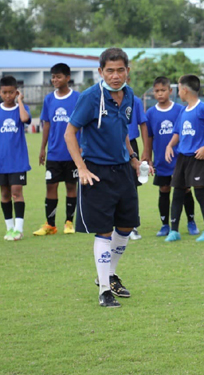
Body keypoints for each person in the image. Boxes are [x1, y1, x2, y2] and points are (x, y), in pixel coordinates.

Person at [65, 47, 141, 307]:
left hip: (122, 171)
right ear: (101, 72)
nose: (116, 76)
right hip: (96, 171)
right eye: (110, 71)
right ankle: (105, 291)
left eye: (121, 70)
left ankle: (109, 274)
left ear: (127, 71)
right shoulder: (90, 97)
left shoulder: (129, 95)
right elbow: (69, 133)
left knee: (127, 226)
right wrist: (82, 169)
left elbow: (123, 130)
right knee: (104, 231)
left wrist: (133, 158)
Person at [164, 75, 204, 242]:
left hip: (198, 158)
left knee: (199, 193)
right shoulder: (183, 110)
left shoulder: (203, 108)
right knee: (177, 194)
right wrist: (169, 145)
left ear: (184, 89)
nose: (178, 93)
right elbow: (177, 132)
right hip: (182, 157)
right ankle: (174, 231)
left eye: (179, 89)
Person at [145, 76, 197, 237]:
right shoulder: (151, 113)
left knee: (186, 189)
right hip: (161, 159)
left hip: (180, 159)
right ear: (153, 92)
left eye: (163, 90)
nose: (160, 94)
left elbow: (185, 132)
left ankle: (191, 221)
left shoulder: (180, 110)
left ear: (170, 91)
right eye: (157, 91)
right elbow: (149, 137)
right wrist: (148, 156)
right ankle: (165, 225)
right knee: (164, 189)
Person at [35, 63, 80, 236]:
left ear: (68, 78)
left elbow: (82, 124)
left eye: (58, 76)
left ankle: (69, 222)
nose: (55, 80)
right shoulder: (49, 99)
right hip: (54, 152)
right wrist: (42, 149)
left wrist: (82, 147)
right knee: (51, 185)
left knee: (71, 185)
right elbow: (47, 124)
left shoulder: (77, 98)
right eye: (53, 77)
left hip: (72, 152)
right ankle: (50, 224)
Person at [0, 76, 31, 241]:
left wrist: (20, 101)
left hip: (17, 160)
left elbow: (25, 120)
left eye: (11, 92)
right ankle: (9, 229)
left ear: (16, 92)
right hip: (1, 162)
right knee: (4, 194)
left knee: (16, 192)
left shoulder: (22, 108)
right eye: (4, 92)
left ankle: (19, 230)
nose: (8, 96)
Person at [126, 92, 150, 240]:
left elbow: (143, 124)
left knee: (131, 187)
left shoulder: (134, 100)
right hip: (109, 145)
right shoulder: (102, 98)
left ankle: (132, 226)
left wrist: (146, 150)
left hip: (131, 145)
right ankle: (113, 225)